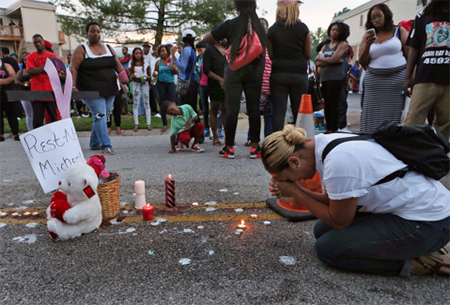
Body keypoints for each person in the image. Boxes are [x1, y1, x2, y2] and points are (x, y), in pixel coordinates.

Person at [261, 124, 450, 277]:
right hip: (409, 209)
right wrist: (295, 190)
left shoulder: (338, 162)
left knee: (328, 250)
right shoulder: (327, 142)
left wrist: (295, 192)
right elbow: (332, 200)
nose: (295, 181)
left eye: (289, 177)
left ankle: (423, 262)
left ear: (294, 162)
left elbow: (340, 220)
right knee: (321, 229)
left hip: (428, 222)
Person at [202, 0, 268, 159]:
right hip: (254, 70)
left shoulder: (231, 25)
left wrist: (225, 41)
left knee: (232, 109)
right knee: (253, 110)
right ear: (254, 6)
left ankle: (229, 148)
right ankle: (254, 147)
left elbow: (206, 38)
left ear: (237, 6)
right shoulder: (259, 26)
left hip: (234, 70)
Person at [70, 22, 126, 155]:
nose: (96, 34)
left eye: (98, 31)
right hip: (91, 89)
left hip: (110, 88)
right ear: (87, 33)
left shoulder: (108, 47)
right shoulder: (82, 49)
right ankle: (106, 145)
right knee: (100, 115)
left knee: (101, 115)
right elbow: (73, 68)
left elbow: (117, 64)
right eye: (92, 31)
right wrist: (73, 86)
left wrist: (124, 80)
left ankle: (94, 142)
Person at [358, 4, 409, 134]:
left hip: (396, 80)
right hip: (374, 82)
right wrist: (368, 44)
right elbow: (363, 62)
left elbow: (411, 55)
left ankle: (393, 140)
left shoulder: (399, 31)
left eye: (379, 16)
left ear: (386, 15)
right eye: (373, 18)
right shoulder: (367, 36)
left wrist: (411, 77)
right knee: (372, 114)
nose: (376, 20)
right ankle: (370, 139)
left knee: (394, 113)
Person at [403, 0, 449, 140]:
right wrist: (407, 76)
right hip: (425, 77)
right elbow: (414, 47)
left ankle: (436, 155)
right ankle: (406, 153)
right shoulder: (423, 14)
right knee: (413, 120)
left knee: (445, 123)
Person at [268, 0, 311, 131]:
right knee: (299, 112)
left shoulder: (272, 29)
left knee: (278, 111)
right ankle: (300, 145)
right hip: (298, 74)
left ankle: (277, 144)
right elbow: (308, 54)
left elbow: (271, 55)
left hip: (279, 73)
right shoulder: (303, 28)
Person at [315, 21, 349, 133]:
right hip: (325, 78)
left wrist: (326, 60)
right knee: (327, 104)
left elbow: (334, 58)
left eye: (337, 30)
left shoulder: (343, 44)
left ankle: (334, 128)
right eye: (332, 30)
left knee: (334, 104)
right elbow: (317, 59)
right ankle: (328, 127)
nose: (334, 32)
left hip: (336, 78)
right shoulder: (325, 46)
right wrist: (331, 61)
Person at [26, 34, 58, 129]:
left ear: (43, 42)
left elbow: (55, 71)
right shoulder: (30, 57)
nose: (38, 44)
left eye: (39, 41)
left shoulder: (52, 56)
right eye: (35, 42)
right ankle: (39, 140)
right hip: (36, 92)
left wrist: (37, 69)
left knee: (53, 117)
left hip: (50, 91)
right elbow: (30, 71)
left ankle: (56, 137)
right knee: (38, 119)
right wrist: (45, 67)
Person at [203, 34, 227, 146]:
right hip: (214, 84)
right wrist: (219, 79)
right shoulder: (209, 50)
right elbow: (206, 70)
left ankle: (229, 137)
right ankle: (215, 137)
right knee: (214, 109)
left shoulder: (227, 49)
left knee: (226, 110)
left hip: (227, 84)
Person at [154, 44, 178, 133]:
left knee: (172, 103)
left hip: (170, 83)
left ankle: (175, 123)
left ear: (167, 51)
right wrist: (155, 73)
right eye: (161, 51)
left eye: (164, 51)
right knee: (162, 103)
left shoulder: (172, 60)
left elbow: (176, 72)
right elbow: (155, 71)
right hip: (160, 84)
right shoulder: (158, 62)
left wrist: (171, 66)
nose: (162, 53)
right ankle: (164, 124)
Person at [174, 30, 199, 111]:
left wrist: (174, 57)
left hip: (186, 82)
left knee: (185, 107)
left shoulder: (186, 50)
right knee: (192, 107)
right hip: (192, 80)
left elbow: (183, 67)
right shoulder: (192, 50)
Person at [129, 47, 152, 132]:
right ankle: (136, 124)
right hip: (136, 85)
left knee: (146, 101)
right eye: (136, 53)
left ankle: (148, 123)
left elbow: (149, 75)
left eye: (139, 53)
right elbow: (130, 75)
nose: (138, 55)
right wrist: (133, 76)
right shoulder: (131, 64)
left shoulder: (145, 64)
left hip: (144, 84)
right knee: (136, 102)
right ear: (134, 54)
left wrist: (147, 77)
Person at [0, 58, 20, 141]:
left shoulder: (6, 66)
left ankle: (15, 133)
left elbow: (12, 76)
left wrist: (3, 81)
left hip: (7, 93)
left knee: (12, 114)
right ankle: (1, 135)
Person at [15, 54, 33, 131]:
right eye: (25, 59)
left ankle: (38, 129)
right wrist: (23, 84)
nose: (26, 61)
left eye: (28, 59)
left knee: (38, 114)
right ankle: (30, 130)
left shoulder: (36, 69)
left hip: (37, 93)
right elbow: (16, 81)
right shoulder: (21, 71)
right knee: (29, 114)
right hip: (25, 94)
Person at [195, 41, 210, 137]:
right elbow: (199, 74)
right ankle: (206, 127)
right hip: (202, 83)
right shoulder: (198, 59)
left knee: (216, 107)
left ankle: (218, 128)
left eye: (201, 50)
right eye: (198, 50)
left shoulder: (209, 58)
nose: (199, 52)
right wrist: (196, 70)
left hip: (211, 84)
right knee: (204, 108)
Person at [143, 42, 159, 116]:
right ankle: (153, 109)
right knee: (152, 95)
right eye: (154, 49)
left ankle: (158, 110)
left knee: (157, 95)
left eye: (156, 49)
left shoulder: (153, 58)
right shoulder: (152, 59)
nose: (155, 51)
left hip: (158, 79)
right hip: (151, 79)